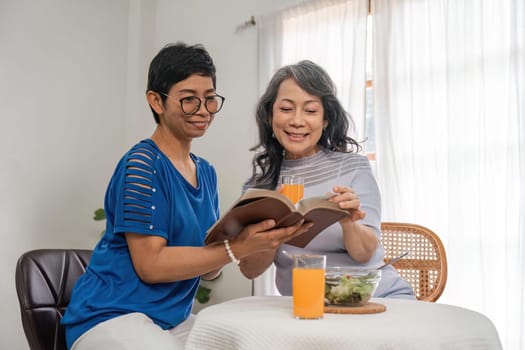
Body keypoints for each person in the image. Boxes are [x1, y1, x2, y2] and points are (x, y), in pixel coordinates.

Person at [61, 43, 311, 350]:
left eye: (209, 100)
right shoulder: (141, 164)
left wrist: (249, 240)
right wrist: (235, 248)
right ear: (156, 101)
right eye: (189, 100)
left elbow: (208, 269)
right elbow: (150, 265)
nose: (203, 111)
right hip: (111, 317)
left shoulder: (205, 172)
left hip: (171, 322)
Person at [240, 60, 416, 299]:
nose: (297, 121)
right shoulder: (259, 186)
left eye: (310, 111)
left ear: (325, 119)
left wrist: (348, 222)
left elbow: (365, 254)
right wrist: (276, 229)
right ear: (271, 114)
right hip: (306, 306)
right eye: (286, 109)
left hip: (373, 298)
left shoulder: (354, 167)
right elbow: (250, 270)